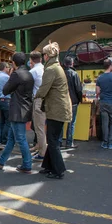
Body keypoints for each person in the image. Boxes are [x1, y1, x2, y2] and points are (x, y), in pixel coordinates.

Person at [0, 52, 34, 173]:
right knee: (12, 138)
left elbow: (5, 90)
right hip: (26, 108)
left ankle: (27, 164)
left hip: (17, 109)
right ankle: (1, 160)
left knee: (20, 139)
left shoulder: (16, 74)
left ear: (13, 63)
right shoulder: (29, 74)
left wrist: (11, 75)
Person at [36, 42, 71, 179]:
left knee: (53, 140)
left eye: (43, 54)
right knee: (53, 139)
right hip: (59, 108)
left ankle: (59, 170)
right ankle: (48, 166)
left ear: (47, 56)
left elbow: (44, 89)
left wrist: (35, 96)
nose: (43, 57)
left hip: (56, 110)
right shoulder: (57, 67)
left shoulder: (51, 69)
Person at [96, 59, 112, 149]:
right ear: (110, 66)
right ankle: (111, 142)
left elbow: (98, 91)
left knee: (104, 123)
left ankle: (105, 142)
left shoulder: (100, 78)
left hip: (103, 102)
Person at [62, 56, 83, 149]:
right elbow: (78, 89)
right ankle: (69, 142)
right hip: (73, 101)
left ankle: (59, 141)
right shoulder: (74, 74)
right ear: (72, 64)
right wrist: (80, 99)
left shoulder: (61, 73)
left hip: (62, 101)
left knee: (61, 122)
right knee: (71, 122)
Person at [29, 51, 45, 161]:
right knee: (41, 127)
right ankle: (39, 147)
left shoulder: (33, 71)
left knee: (39, 127)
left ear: (31, 60)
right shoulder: (45, 69)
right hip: (46, 99)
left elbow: (28, 87)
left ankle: (42, 153)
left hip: (37, 99)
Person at [0, 61, 11, 146]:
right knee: (8, 121)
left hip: (0, 100)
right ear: (5, 67)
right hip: (6, 100)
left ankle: (1, 139)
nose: (9, 69)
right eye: (8, 67)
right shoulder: (6, 77)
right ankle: (5, 140)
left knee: (2, 121)